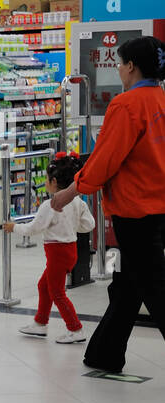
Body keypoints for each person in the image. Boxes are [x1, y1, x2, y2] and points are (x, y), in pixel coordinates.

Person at [50, 36, 165, 373]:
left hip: (135, 209)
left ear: (131, 66)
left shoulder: (127, 105)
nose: (117, 68)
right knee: (130, 283)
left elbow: (105, 161)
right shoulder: (161, 100)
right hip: (158, 206)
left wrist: (70, 192)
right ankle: (104, 353)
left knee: (155, 288)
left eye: (119, 62)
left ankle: (106, 352)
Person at [5, 153, 94, 343]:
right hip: (70, 251)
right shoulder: (78, 201)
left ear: (54, 182)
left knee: (57, 292)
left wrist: (15, 227)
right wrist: (71, 225)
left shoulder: (50, 204)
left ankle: (75, 329)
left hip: (57, 253)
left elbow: (34, 228)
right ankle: (40, 323)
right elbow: (89, 225)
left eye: (46, 178)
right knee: (44, 286)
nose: (45, 181)